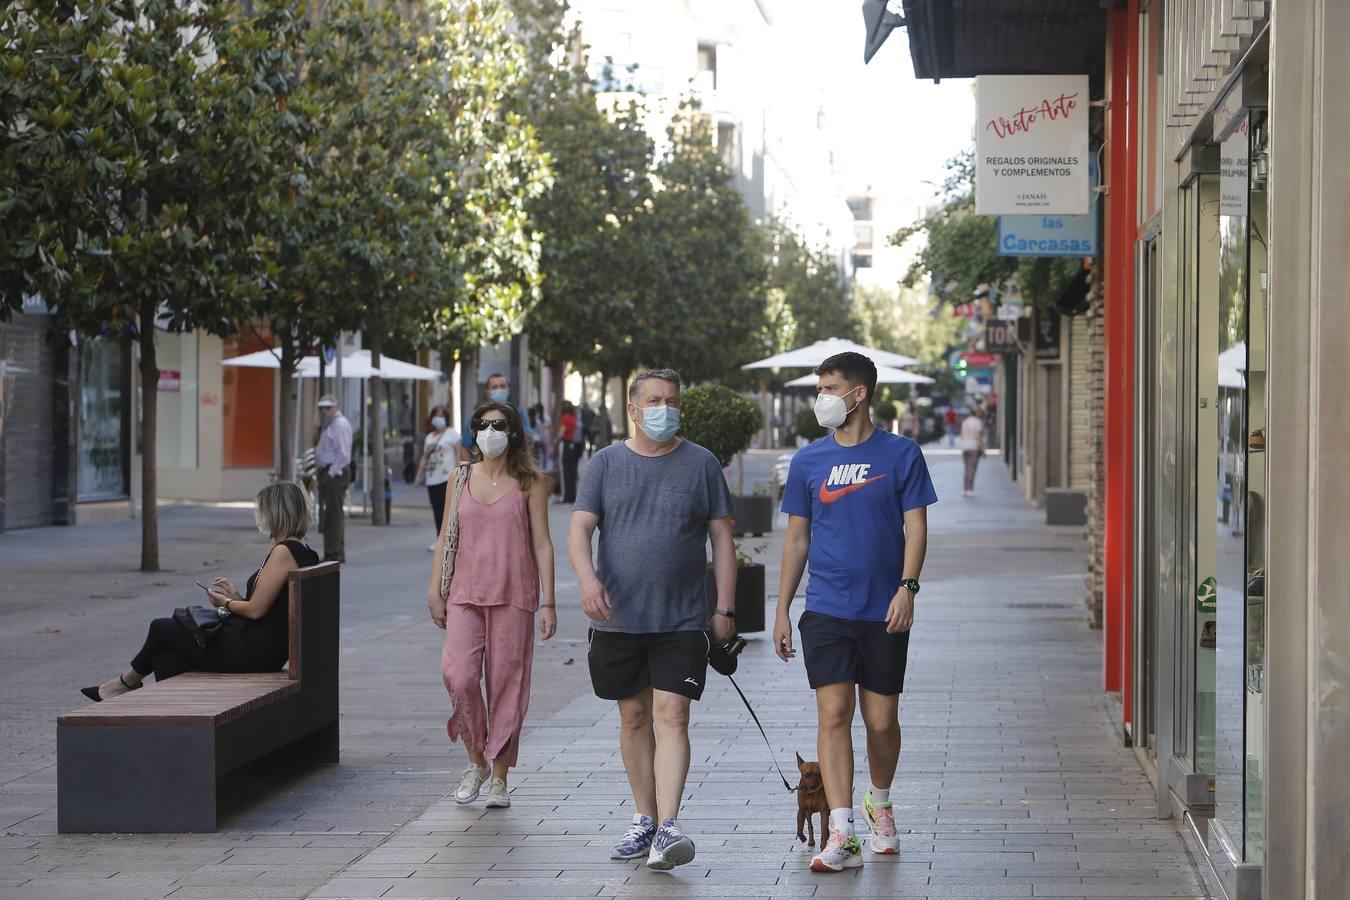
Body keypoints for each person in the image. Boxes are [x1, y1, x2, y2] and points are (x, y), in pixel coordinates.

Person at [772, 351, 937, 873]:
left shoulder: (902, 453)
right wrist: (780, 608)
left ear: (859, 393)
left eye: (830, 388)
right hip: (826, 608)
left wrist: (908, 587)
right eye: (819, 388)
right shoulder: (808, 461)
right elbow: (797, 540)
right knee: (834, 713)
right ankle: (842, 830)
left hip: (884, 608)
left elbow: (916, 526)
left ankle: (879, 802)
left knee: (882, 720)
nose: (822, 398)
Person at [567, 368, 737, 871]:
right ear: (634, 410)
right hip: (618, 618)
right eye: (656, 400)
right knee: (634, 717)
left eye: (673, 400)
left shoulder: (701, 463)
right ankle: (644, 818)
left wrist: (725, 607)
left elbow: (723, 540)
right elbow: (580, 531)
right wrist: (586, 580)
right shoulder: (605, 463)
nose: (667, 408)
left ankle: (669, 825)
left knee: (673, 715)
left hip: (682, 618)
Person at [428, 401, 557, 809]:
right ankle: (475, 760)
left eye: (498, 425)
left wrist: (549, 602)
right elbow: (447, 535)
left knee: (508, 685)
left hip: (515, 595)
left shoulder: (531, 482)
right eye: (482, 425)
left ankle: (499, 774)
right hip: (464, 593)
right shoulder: (460, 477)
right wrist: (436, 589)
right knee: (459, 676)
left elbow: (542, 543)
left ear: (514, 432)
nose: (490, 432)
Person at [81, 482, 321, 700]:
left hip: (256, 650)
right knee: (164, 658)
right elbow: (268, 606)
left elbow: (257, 610)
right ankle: (173, 719)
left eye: (264, 511)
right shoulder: (300, 549)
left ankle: (124, 684)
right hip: (264, 645)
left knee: (161, 628)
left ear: (277, 513)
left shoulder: (284, 551)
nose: (261, 518)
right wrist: (236, 597)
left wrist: (224, 603)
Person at [414, 404, 460, 551]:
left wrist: (459, 473)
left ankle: (449, 539)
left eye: (441, 416)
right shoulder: (429, 438)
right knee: (436, 509)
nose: (438, 418)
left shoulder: (452, 434)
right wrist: (418, 475)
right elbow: (425, 457)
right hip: (431, 478)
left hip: (447, 478)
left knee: (446, 510)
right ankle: (439, 539)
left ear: (446, 418)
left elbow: (459, 454)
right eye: (436, 415)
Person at [460, 372, 534, 462]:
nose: (499, 390)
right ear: (488, 392)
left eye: (502, 386)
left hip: (513, 467)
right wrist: (468, 471)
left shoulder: (518, 414)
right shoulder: (477, 417)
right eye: (495, 387)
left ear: (508, 389)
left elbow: (528, 441)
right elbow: (465, 447)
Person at [315, 394, 352, 563]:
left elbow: (343, 454)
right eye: (322, 408)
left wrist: (331, 473)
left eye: (328, 408)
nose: (325, 411)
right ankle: (335, 551)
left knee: (333, 515)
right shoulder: (331, 424)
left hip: (334, 474)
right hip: (329, 472)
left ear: (336, 407)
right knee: (333, 514)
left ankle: (333, 553)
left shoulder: (340, 425)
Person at [556, 400, 582, 504]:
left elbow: (561, 434)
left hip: (565, 444)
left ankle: (564, 497)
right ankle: (571, 496)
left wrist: (555, 443)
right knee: (571, 471)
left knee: (564, 471)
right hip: (572, 445)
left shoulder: (565, 418)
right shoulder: (573, 418)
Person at [959, 406, 987, 497]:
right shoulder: (978, 422)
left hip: (965, 447)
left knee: (966, 469)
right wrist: (982, 449)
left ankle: (965, 489)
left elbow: (961, 435)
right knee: (972, 469)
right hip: (974, 447)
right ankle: (970, 489)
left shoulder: (965, 422)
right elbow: (979, 437)